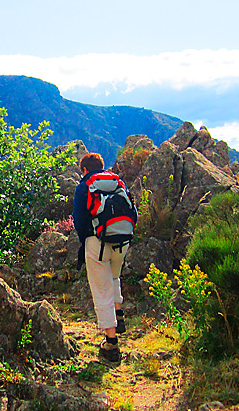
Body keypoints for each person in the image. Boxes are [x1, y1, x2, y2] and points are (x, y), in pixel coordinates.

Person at [72, 152, 129, 363]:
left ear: (85, 169)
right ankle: (119, 314)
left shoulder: (85, 185)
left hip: (97, 241)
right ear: (102, 166)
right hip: (122, 239)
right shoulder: (117, 182)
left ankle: (111, 343)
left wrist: (86, 239)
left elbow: (78, 219)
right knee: (114, 278)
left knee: (101, 289)